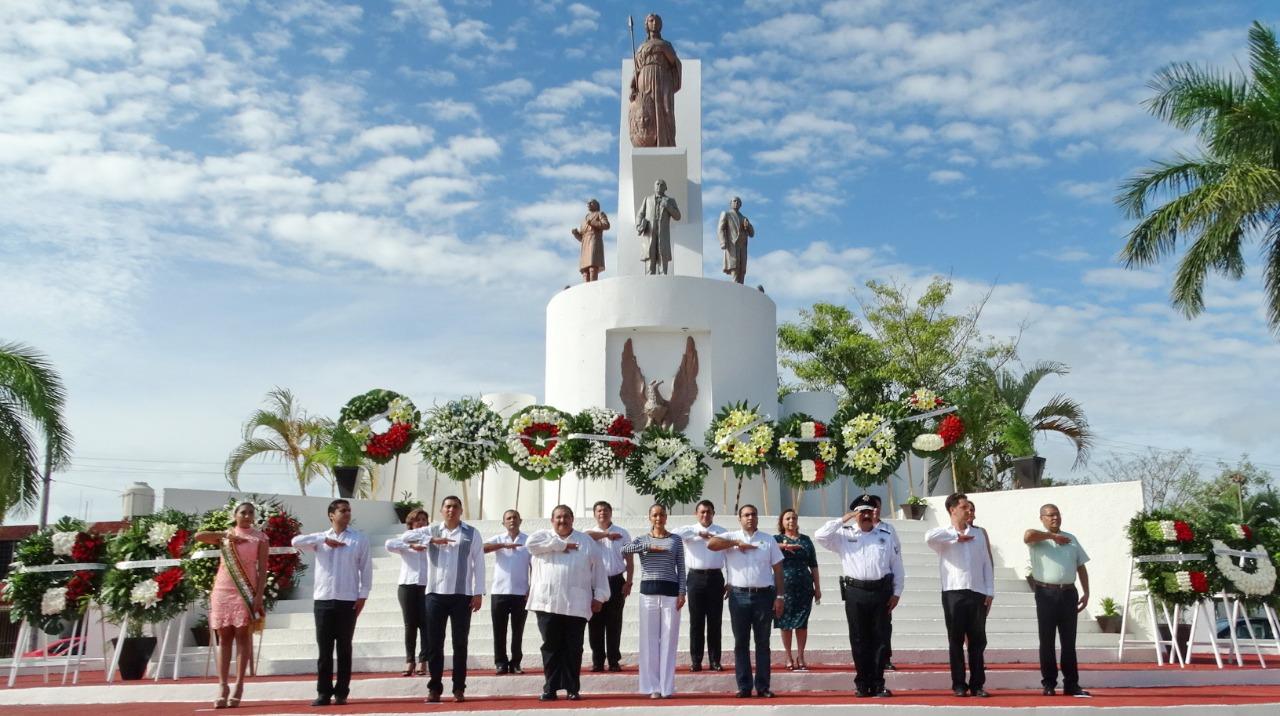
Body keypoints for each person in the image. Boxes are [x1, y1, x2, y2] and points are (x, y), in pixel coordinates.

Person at [815, 495, 904, 698]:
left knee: (880, 639)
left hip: (881, 592)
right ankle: (862, 684)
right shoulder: (844, 535)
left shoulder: (885, 535)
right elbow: (820, 535)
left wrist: (897, 592)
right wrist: (843, 518)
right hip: (855, 593)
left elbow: (897, 565)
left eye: (868, 511)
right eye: (861, 512)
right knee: (859, 639)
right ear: (855, 514)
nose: (865, 515)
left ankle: (878, 683)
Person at [401, 495, 485, 704]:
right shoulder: (431, 530)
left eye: (455, 507)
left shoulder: (471, 533)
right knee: (434, 644)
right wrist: (430, 540)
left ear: (461, 510)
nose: (451, 510)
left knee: (460, 643)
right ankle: (434, 688)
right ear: (441, 510)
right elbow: (404, 538)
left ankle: (459, 688)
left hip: (461, 595)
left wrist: (478, 592)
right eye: (447, 506)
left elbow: (479, 564)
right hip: (435, 595)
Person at [292, 499, 372, 707]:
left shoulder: (359, 539)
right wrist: (324, 539)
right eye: (342, 511)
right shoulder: (319, 539)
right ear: (331, 515)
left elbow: (366, 570)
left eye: (348, 510)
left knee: (344, 648)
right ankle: (323, 692)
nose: (346, 514)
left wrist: (362, 596)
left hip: (347, 600)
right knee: (324, 650)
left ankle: (342, 692)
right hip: (323, 600)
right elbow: (295, 542)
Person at [526, 505, 611, 702]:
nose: (562, 521)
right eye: (558, 517)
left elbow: (598, 570)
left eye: (566, 517)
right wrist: (561, 546)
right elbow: (530, 545)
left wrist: (599, 596)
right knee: (550, 647)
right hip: (547, 603)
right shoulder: (542, 537)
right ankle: (550, 688)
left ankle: (573, 688)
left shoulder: (586, 541)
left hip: (576, 603)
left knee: (574, 647)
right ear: (551, 520)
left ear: (573, 519)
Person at [195, 501, 268, 709]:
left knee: (242, 636)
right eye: (243, 512)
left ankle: (239, 685)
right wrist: (224, 535)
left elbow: (263, 569)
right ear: (235, 515)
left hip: (245, 591)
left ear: (254, 516)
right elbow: (198, 536)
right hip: (222, 589)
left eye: (250, 513)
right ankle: (222, 685)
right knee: (224, 637)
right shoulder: (226, 535)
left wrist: (259, 596)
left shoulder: (260, 537)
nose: (246, 516)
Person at [708, 504, 785, 698]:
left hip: (763, 595)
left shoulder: (768, 540)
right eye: (746, 515)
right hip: (738, 595)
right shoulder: (731, 537)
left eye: (753, 514)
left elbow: (778, 570)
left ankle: (763, 686)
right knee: (741, 643)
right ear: (739, 518)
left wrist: (780, 597)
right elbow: (711, 544)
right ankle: (744, 686)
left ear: (757, 517)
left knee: (762, 642)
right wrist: (736, 543)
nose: (750, 517)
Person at [925, 493, 994, 698]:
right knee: (955, 641)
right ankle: (959, 684)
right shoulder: (943, 534)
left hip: (977, 591)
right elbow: (928, 537)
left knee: (977, 641)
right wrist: (956, 537)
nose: (968, 511)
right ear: (952, 510)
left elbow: (986, 563)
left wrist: (989, 591)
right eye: (963, 507)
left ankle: (977, 684)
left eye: (969, 507)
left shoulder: (980, 533)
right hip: (953, 592)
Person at [1024, 503, 1091, 697]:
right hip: (1046, 593)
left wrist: (1087, 592)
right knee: (1047, 641)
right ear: (1042, 518)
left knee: (1069, 641)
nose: (1055, 518)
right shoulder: (1038, 540)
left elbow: (1081, 566)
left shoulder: (1071, 539)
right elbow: (1027, 535)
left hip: (1069, 593)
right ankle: (1049, 683)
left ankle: (1071, 684)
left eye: (1057, 515)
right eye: (1050, 515)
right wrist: (1053, 536)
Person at [621, 503, 686, 699]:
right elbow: (624, 549)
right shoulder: (642, 539)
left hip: (671, 592)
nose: (658, 518)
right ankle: (652, 687)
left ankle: (667, 687)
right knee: (649, 641)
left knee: (669, 639)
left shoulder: (675, 540)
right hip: (648, 593)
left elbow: (681, 568)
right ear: (650, 517)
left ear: (666, 517)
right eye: (655, 515)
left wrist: (682, 592)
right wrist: (648, 546)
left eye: (662, 515)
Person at [673, 500, 727, 672]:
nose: (705, 515)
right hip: (695, 577)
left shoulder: (722, 532)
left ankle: (714, 660)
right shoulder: (689, 531)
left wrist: (730, 580)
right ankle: (696, 660)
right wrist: (699, 533)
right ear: (696, 513)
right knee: (696, 621)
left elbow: (730, 557)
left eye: (709, 512)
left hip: (715, 578)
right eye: (702, 512)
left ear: (713, 513)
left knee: (715, 621)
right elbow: (674, 534)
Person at [585, 500, 632, 672]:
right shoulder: (589, 533)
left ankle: (613, 660)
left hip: (616, 580)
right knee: (595, 623)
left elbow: (630, 558)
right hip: (595, 582)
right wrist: (606, 535)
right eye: (598, 511)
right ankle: (598, 660)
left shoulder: (623, 533)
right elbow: (588, 536)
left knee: (614, 622)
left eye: (605, 510)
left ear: (611, 512)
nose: (602, 513)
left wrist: (629, 581)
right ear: (594, 514)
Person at [384, 508, 430, 677]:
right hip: (407, 585)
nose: (421, 523)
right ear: (411, 523)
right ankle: (409, 659)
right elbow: (389, 544)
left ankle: (424, 660)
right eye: (418, 520)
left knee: (425, 624)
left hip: (426, 585)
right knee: (410, 624)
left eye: (424, 520)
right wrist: (411, 545)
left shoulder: (429, 540)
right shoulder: (404, 541)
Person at [484, 509, 531, 675]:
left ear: (520, 520)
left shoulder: (527, 540)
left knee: (518, 631)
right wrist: (503, 545)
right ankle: (500, 662)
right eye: (508, 518)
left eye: (515, 518)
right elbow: (483, 548)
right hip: (499, 592)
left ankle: (516, 662)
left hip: (521, 593)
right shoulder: (498, 538)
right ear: (503, 522)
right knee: (499, 630)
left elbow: (535, 565)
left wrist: (531, 587)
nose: (512, 520)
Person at [774, 508, 820, 671]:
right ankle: (788, 656)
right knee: (785, 622)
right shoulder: (776, 539)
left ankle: (801, 655)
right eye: (787, 518)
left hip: (804, 585)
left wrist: (817, 587)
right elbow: (766, 547)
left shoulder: (806, 540)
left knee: (802, 623)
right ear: (782, 522)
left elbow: (813, 564)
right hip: (783, 586)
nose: (791, 521)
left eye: (793, 518)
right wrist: (785, 546)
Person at [627, 13, 681, 147]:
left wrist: (660, 47)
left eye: (657, 21)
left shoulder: (666, 44)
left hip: (662, 77)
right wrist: (633, 85)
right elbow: (637, 68)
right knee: (647, 110)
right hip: (645, 78)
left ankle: (667, 141)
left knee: (666, 109)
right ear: (647, 24)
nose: (654, 23)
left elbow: (673, 61)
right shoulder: (641, 47)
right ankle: (650, 141)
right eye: (651, 21)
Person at [868, 495, 900, 671]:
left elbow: (896, 558)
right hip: (863, 587)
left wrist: (896, 589)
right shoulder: (858, 530)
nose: (875, 510)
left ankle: (885, 658)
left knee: (884, 625)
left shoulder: (888, 530)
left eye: (878, 506)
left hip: (884, 585)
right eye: (871, 507)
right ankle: (868, 658)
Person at [635, 178, 682, 275]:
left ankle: (663, 274)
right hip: (650, 230)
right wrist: (639, 225)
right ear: (654, 186)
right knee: (650, 253)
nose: (659, 186)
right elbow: (640, 214)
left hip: (663, 232)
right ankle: (649, 274)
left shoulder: (670, 201)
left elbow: (678, 216)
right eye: (657, 184)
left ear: (665, 188)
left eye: (661, 185)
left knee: (662, 252)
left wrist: (668, 206)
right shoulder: (647, 199)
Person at [717, 197, 754, 284]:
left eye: (738, 201)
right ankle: (735, 287)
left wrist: (747, 226)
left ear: (741, 205)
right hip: (732, 244)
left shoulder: (744, 218)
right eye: (734, 201)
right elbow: (720, 228)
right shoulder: (726, 214)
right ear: (731, 203)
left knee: (742, 269)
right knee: (734, 267)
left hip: (743, 246)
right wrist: (722, 241)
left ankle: (740, 288)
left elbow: (752, 234)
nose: (736, 203)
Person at [571, 199, 610, 282]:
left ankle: (593, 285)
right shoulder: (584, 220)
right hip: (585, 243)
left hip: (594, 240)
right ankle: (586, 287)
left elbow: (606, 225)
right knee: (585, 270)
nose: (588, 204)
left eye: (591, 202)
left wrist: (593, 223)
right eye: (588, 203)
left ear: (596, 205)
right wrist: (576, 234)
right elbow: (582, 238)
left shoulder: (600, 214)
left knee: (593, 267)